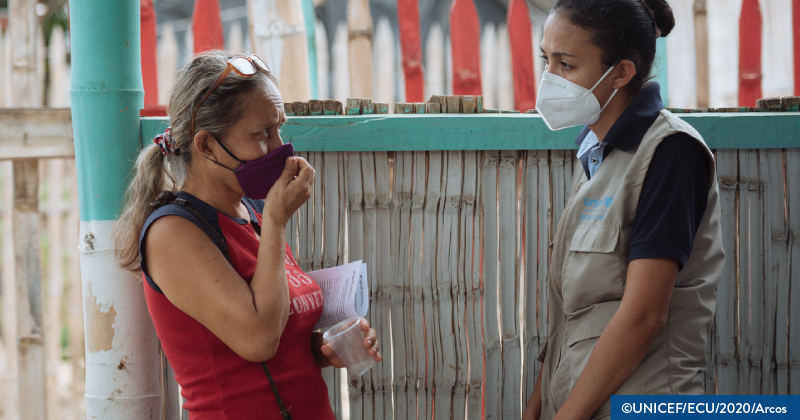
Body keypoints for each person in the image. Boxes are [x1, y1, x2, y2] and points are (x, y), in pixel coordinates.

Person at [114, 51, 381, 420]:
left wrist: (322, 350)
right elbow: (258, 340)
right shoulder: (172, 232)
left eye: (279, 128)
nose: (279, 148)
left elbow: (277, 337)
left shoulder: (251, 214)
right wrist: (276, 220)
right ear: (206, 145)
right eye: (262, 133)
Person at [523, 1, 724, 419]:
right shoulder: (598, 156)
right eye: (547, 60)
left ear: (621, 72)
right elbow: (571, 317)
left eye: (566, 65)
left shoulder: (670, 153)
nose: (548, 79)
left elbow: (643, 317)